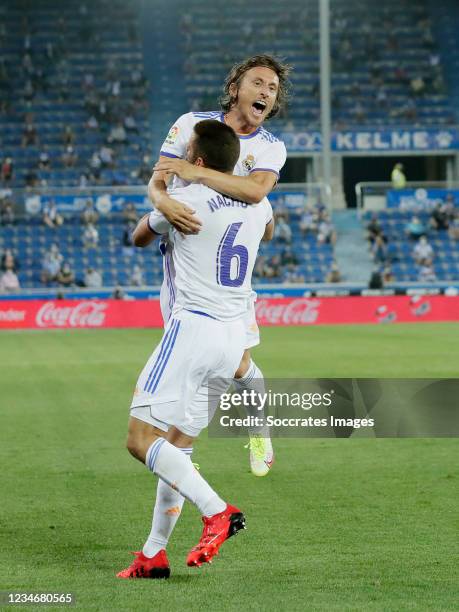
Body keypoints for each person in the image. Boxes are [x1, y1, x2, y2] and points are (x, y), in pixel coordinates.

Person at [117, 119, 274, 580]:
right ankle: (153, 553)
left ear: (198, 162)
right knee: (176, 451)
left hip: (192, 331)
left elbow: (139, 237)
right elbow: (266, 227)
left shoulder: (185, 201)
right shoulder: (257, 203)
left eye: (185, 152)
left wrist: (159, 186)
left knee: (140, 441)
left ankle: (217, 511)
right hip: (231, 339)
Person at [149, 55, 291, 476]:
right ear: (235, 89)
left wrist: (193, 174)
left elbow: (256, 191)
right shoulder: (191, 123)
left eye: (272, 88)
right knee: (222, 359)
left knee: (234, 358)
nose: (266, 91)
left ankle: (243, 427)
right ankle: (187, 440)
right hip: (185, 255)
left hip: (229, 267)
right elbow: (158, 177)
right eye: (258, 83)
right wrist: (162, 202)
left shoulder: (270, 146)